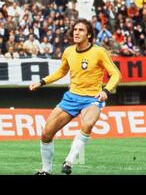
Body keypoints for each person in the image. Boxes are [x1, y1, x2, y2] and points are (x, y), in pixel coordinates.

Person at [29, 19, 121, 175]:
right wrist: (42, 81)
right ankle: (46, 170)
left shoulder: (99, 52)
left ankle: (69, 161)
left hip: (92, 99)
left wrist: (106, 91)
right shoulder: (69, 51)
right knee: (46, 133)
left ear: (89, 35)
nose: (76, 32)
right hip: (71, 98)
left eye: (81, 30)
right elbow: (61, 72)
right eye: (75, 30)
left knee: (88, 123)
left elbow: (115, 74)